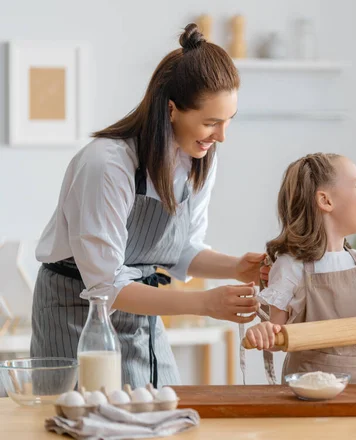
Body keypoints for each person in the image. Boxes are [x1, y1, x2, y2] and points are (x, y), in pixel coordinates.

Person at [30, 23, 267, 388]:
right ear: (172, 109)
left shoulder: (200, 158)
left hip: (142, 312)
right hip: (77, 312)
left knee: (160, 412)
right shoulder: (106, 165)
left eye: (228, 121)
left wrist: (237, 268)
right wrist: (205, 303)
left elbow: (181, 249)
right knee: (83, 418)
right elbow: (107, 285)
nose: (222, 136)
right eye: (211, 122)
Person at [244, 153, 356, 393]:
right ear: (325, 200)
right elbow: (277, 338)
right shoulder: (291, 266)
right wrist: (264, 332)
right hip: (307, 394)